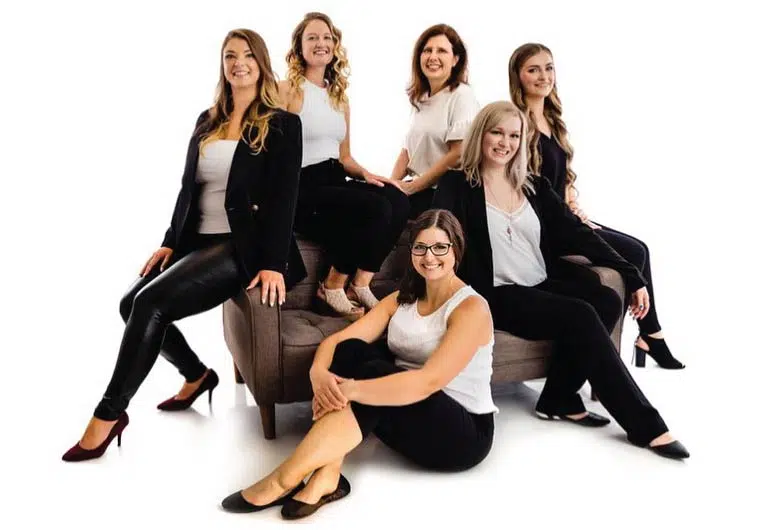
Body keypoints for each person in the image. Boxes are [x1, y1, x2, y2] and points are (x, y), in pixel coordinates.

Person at [61, 29, 304, 462]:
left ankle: (108, 414)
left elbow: (286, 198)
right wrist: (170, 243)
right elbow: (188, 191)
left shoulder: (282, 124)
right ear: (222, 64)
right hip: (198, 240)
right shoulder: (207, 120)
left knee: (150, 303)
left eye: (248, 55)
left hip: (242, 249)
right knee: (129, 303)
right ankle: (196, 376)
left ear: (262, 63)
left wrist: (274, 262)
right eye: (230, 56)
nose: (239, 63)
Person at [433, 101, 689, 459]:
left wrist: (633, 276)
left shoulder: (533, 186)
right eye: (497, 132)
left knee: (607, 299)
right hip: (495, 294)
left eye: (514, 135)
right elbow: (438, 234)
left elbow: (578, 234)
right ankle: (647, 426)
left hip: (539, 282)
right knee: (579, 315)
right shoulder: (458, 184)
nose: (505, 143)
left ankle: (558, 397)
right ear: (481, 134)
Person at [221, 209, 497, 520]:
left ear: (456, 250)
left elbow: (427, 382)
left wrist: (349, 390)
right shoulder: (401, 299)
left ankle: (284, 478)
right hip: (405, 414)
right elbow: (336, 342)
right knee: (351, 351)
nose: (429, 257)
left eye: (440, 247)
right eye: (420, 247)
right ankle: (328, 475)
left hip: (460, 435)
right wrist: (318, 375)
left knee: (372, 373)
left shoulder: (471, 308)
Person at [508, 43, 684, 369]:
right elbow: (523, 187)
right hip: (545, 228)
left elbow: (562, 177)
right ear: (518, 76)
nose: (544, 76)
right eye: (533, 70)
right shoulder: (516, 123)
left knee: (639, 249)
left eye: (549, 68)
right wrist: (570, 219)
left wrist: (574, 204)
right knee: (635, 252)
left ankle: (650, 334)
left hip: (565, 218)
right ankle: (651, 335)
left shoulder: (552, 119)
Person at [280, 12, 410, 319]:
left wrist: (368, 175)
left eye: (327, 37)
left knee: (397, 198)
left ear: (335, 45)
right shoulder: (286, 90)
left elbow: (344, 157)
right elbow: (268, 148)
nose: (321, 43)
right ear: (299, 47)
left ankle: (359, 284)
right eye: (312, 37)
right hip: (302, 186)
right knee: (372, 207)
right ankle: (331, 286)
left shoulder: (340, 98)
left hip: (334, 180)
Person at [390, 23, 480, 219]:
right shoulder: (421, 98)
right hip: (421, 189)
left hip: (444, 194)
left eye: (442, 51)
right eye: (427, 50)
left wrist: (412, 187)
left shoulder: (462, 95)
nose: (433, 57)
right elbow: (408, 151)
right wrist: (391, 185)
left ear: (455, 59)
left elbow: (458, 153)